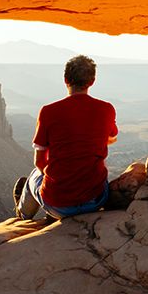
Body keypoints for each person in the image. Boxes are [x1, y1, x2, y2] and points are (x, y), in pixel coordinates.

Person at [14, 55, 118, 221]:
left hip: (58, 206)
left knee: (34, 176)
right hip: (95, 201)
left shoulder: (48, 112)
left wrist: (59, 179)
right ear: (92, 81)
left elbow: (39, 162)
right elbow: (112, 136)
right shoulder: (106, 109)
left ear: (65, 80)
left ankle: (22, 217)